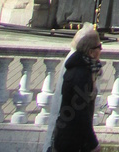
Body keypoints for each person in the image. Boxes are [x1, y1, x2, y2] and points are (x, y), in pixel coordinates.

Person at [46, 24, 102, 152]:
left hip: (68, 135)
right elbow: (81, 113)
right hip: (72, 139)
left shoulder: (81, 68)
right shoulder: (82, 74)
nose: (101, 50)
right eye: (99, 47)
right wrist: (93, 143)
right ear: (91, 52)